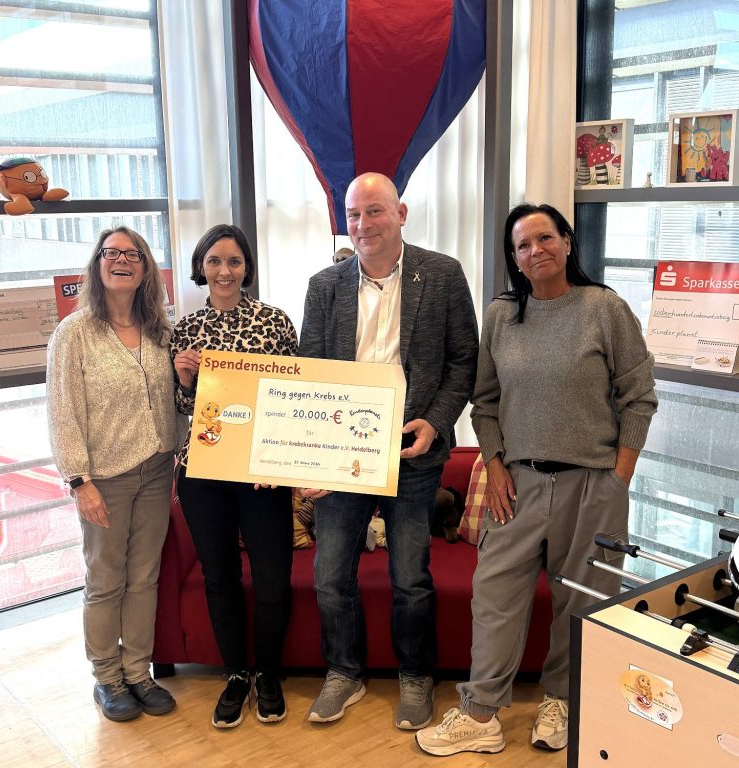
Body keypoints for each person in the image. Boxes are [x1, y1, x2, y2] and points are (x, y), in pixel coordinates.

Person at [416, 203, 658, 755]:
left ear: (567, 242)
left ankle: (562, 700)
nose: (535, 251)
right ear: (514, 258)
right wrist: (495, 463)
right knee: (494, 594)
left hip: (594, 484)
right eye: (522, 245)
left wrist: (619, 478)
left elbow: (639, 397)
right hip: (517, 484)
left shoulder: (604, 308)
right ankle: (480, 713)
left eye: (545, 238)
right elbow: (485, 401)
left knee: (582, 599)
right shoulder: (502, 315)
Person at [299, 172, 479, 729]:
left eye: (374, 211)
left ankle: (416, 675)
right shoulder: (324, 286)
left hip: (412, 450)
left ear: (400, 213)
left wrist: (437, 422)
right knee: (330, 575)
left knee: (410, 578)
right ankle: (344, 671)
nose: (363, 224)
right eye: (353, 214)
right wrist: (308, 456)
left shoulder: (443, 274)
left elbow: (463, 362)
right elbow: (310, 373)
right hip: (342, 451)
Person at [47, 226, 183, 722]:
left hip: (157, 470)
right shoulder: (74, 334)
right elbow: (63, 412)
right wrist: (78, 481)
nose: (121, 260)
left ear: (145, 269)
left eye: (132, 254)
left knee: (144, 578)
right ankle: (107, 678)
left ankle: (138, 673)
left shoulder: (161, 330)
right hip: (104, 477)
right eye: (111, 253)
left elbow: (177, 398)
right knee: (106, 580)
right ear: (97, 264)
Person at [170, 224, 298, 729]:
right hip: (202, 471)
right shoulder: (186, 328)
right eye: (215, 261)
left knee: (272, 578)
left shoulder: (274, 321)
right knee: (219, 578)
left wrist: (278, 460)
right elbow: (184, 405)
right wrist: (184, 377)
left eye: (234, 262)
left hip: (261, 471)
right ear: (201, 267)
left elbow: (292, 398)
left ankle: (267, 672)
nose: (224, 271)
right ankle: (236, 674)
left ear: (247, 268)